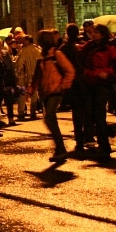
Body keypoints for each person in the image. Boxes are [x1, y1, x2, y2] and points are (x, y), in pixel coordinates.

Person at [27, 30, 75, 161]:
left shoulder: (56, 54)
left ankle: (61, 149)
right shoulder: (42, 58)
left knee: (49, 118)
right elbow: (36, 77)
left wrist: (63, 86)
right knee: (50, 119)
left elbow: (70, 71)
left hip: (55, 91)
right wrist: (30, 90)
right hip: (46, 92)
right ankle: (60, 149)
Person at [80, 24, 116, 161]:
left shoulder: (109, 47)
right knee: (92, 115)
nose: (93, 35)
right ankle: (104, 137)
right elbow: (81, 61)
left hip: (103, 84)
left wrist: (106, 72)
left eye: (96, 32)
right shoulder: (89, 46)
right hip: (90, 82)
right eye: (93, 32)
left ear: (103, 34)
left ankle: (104, 146)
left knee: (99, 115)